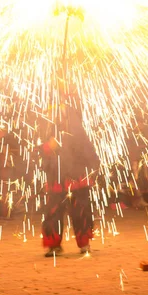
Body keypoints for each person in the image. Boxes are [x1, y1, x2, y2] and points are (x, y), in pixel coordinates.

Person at [40, 103, 99, 257]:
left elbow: (88, 150)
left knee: (81, 211)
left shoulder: (76, 129)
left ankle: (84, 243)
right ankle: (53, 245)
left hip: (76, 177)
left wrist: (93, 169)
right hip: (56, 178)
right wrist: (47, 147)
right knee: (53, 212)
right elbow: (38, 151)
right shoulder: (47, 128)